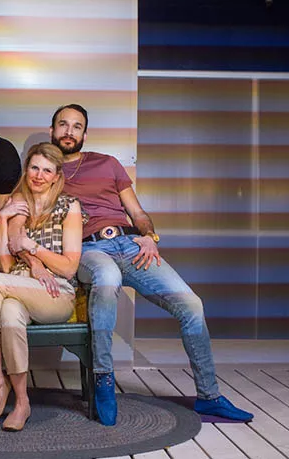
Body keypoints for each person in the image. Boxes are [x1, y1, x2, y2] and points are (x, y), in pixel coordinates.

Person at [14, 104, 254, 425]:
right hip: (87, 249)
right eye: (63, 124)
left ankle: (209, 396)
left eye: (77, 126)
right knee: (107, 278)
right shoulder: (43, 173)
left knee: (192, 305)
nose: (69, 131)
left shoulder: (108, 164)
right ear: (52, 130)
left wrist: (149, 236)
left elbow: (138, 213)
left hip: (130, 244)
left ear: (85, 134)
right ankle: (103, 378)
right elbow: (19, 218)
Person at [0, 143, 83, 432]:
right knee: (9, 314)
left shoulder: (68, 206)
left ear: (56, 176)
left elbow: (69, 268)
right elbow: (5, 264)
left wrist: (33, 249)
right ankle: (22, 402)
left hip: (56, 292)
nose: (38, 175)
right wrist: (3, 219)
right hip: (16, 286)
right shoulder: (18, 204)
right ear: (26, 170)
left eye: (47, 170)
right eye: (34, 167)